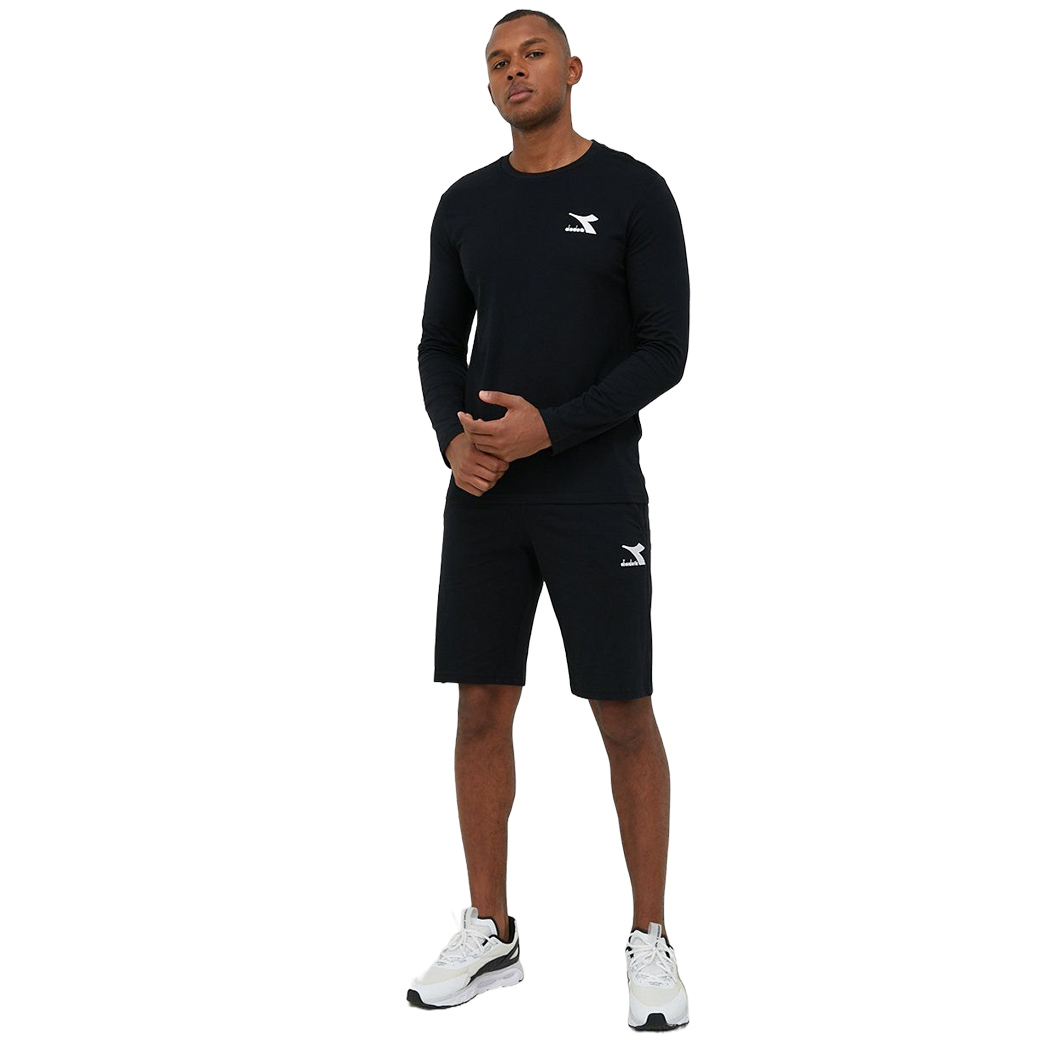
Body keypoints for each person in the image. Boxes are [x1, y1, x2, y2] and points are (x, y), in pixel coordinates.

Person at [409, 8, 690, 1031]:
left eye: (532, 54)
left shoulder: (634, 193)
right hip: (485, 493)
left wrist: (552, 430)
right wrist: (453, 441)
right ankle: (491, 930)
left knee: (623, 709)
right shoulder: (465, 204)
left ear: (572, 69)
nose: (514, 70)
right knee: (481, 706)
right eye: (497, 61)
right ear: (488, 87)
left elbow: (664, 349)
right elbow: (438, 345)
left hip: (594, 491)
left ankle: (651, 936)